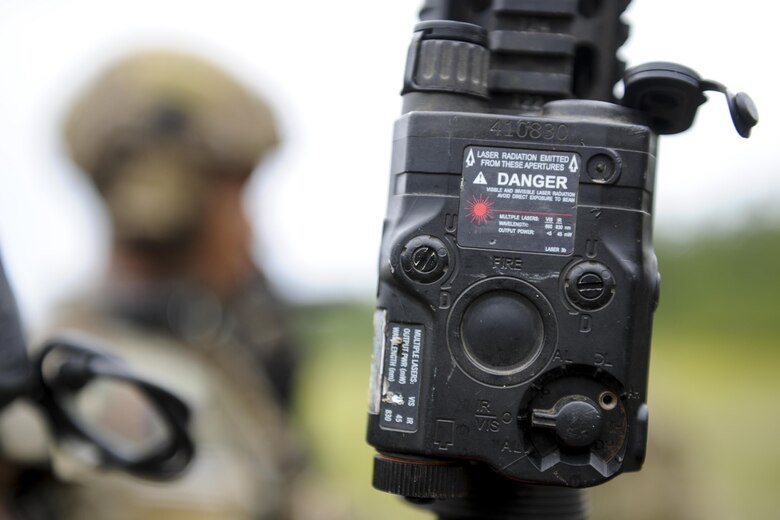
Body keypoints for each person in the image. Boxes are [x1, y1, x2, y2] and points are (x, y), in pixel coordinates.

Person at [3, 49, 316, 520]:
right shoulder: (115, 388)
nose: (250, 231)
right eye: (237, 197)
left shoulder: (193, 350)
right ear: (170, 202)